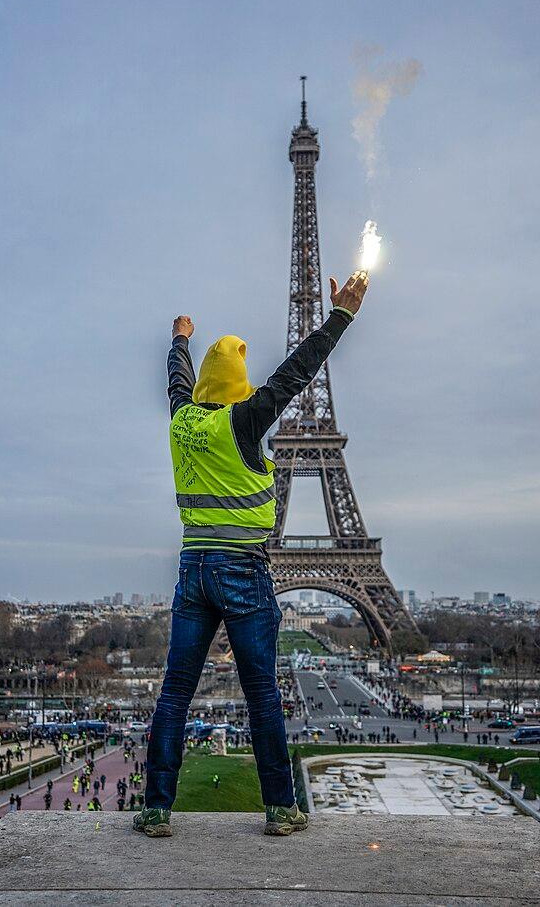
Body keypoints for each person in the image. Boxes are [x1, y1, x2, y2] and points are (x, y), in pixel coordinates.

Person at [134, 273, 367, 839]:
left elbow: (177, 382)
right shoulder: (246, 419)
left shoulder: (183, 419)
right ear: (238, 387)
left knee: (174, 693)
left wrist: (180, 340)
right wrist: (340, 317)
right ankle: (280, 807)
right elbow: (294, 374)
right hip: (242, 567)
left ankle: (156, 807)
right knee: (263, 693)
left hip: (194, 569)